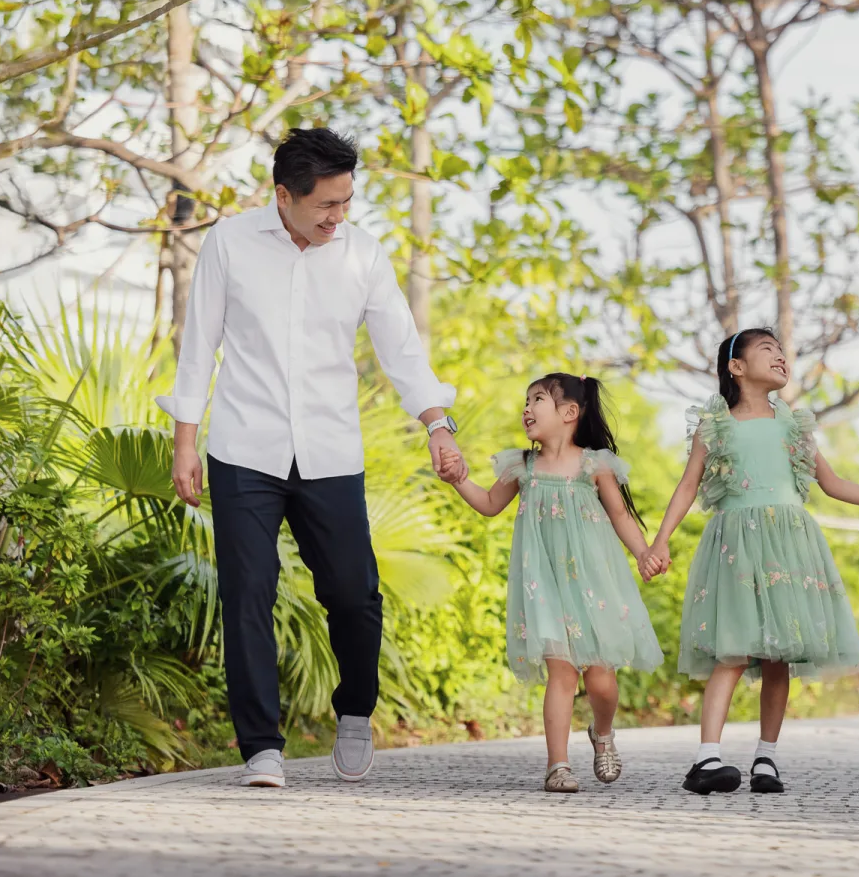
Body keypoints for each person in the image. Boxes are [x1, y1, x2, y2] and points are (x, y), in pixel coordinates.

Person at [159, 128, 465, 789]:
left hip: (330, 450)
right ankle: (261, 747)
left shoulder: (361, 253)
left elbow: (401, 348)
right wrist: (186, 439)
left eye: (346, 201)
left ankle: (355, 710)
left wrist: (438, 424)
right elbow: (198, 343)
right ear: (284, 196)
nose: (338, 216)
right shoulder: (231, 243)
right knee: (248, 593)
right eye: (326, 204)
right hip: (244, 446)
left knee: (354, 595)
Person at [645, 328, 859, 795]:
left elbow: (832, 484)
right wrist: (660, 541)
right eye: (767, 350)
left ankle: (766, 759)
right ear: (736, 367)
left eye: (781, 350)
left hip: (789, 547)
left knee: (779, 655)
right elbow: (687, 486)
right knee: (733, 651)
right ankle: (706, 759)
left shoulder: (793, 424)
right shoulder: (715, 426)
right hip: (737, 546)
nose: (780, 356)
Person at [439, 373, 663, 793]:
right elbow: (489, 505)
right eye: (525, 400)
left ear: (569, 412)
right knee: (560, 671)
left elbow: (619, 516)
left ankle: (603, 732)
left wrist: (644, 553)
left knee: (600, 678)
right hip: (545, 585)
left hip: (593, 582)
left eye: (537, 399)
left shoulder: (594, 466)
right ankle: (557, 764)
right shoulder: (523, 467)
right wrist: (457, 480)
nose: (526, 408)